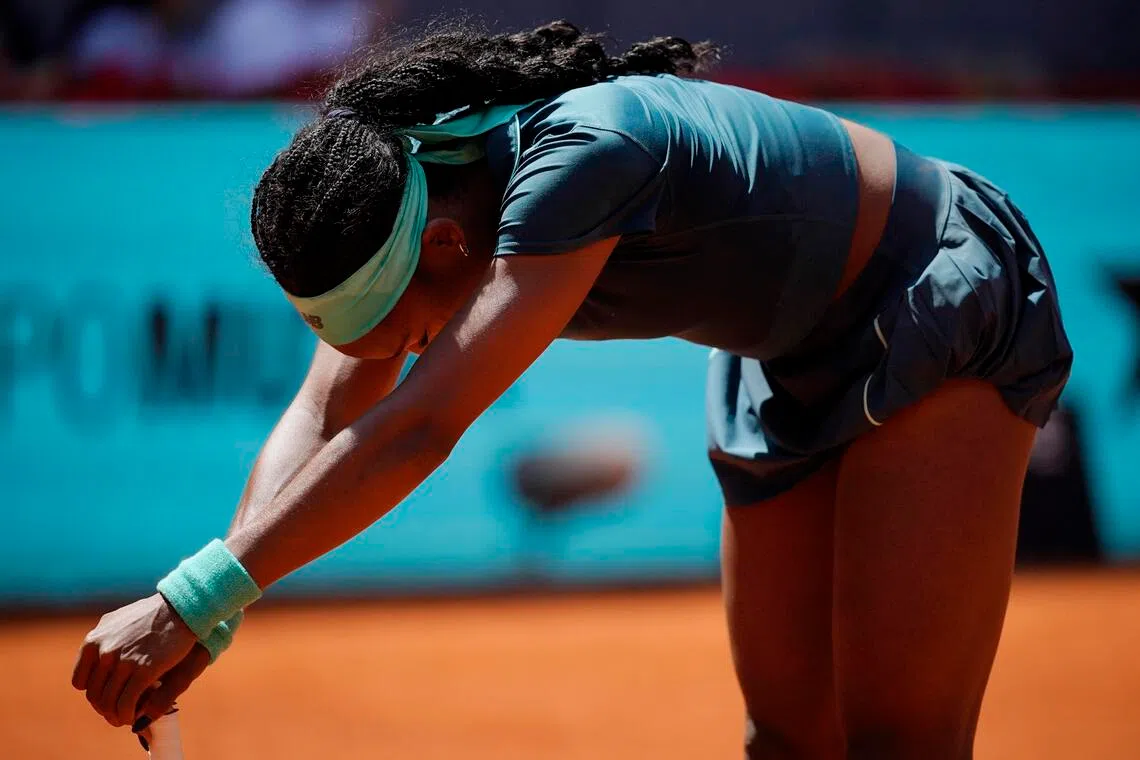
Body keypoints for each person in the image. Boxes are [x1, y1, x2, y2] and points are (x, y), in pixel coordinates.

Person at [71, 20, 1072, 759]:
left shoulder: (584, 158)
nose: (400, 355)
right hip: (783, 354)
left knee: (902, 742)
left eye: (409, 333)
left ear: (447, 247)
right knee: (788, 739)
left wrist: (197, 592)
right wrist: (211, 609)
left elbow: (418, 426)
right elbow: (325, 412)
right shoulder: (414, 189)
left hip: (928, 292)